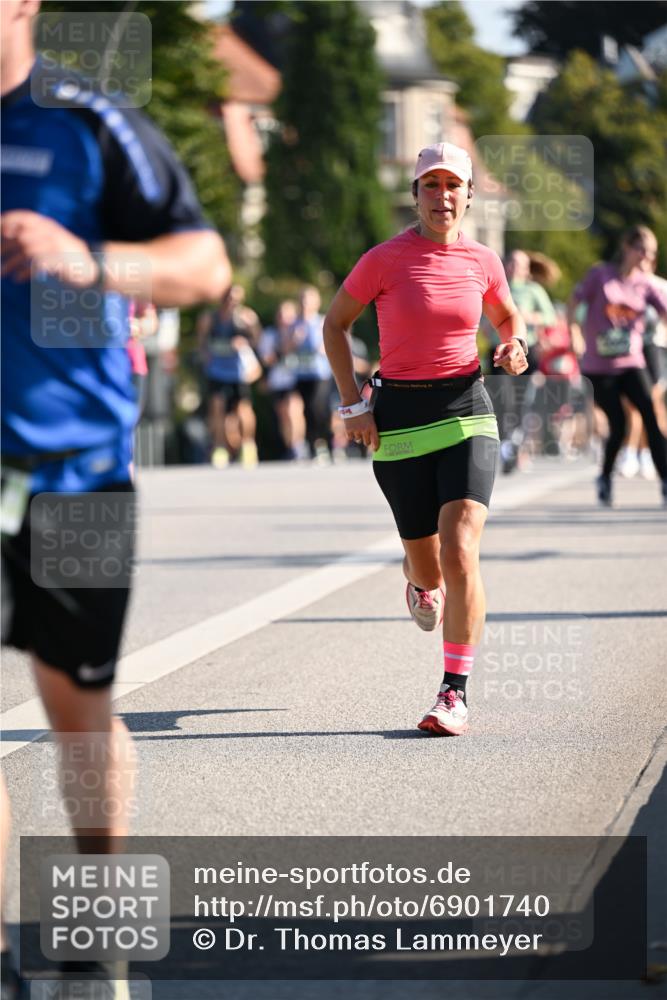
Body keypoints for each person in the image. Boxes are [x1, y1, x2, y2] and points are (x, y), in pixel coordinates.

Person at [0, 2, 231, 996]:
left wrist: (91, 260)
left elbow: (206, 264)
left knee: (77, 707)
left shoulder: (89, 121)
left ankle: (97, 941)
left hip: (77, 469)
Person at [323, 142, 529, 737]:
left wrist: (514, 345)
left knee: (460, 546)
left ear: (469, 195)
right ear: (415, 196)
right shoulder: (384, 260)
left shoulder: (483, 260)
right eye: (431, 186)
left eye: (452, 185)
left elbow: (508, 317)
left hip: (466, 409)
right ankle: (420, 581)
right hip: (399, 422)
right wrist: (353, 404)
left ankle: (453, 692)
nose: (443, 196)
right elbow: (335, 325)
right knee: (430, 566)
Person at [567, 225, 667, 506]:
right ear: (627, 247)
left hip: (631, 363)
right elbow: (574, 302)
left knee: (651, 416)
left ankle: (665, 480)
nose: (646, 256)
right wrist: (574, 333)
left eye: (652, 252)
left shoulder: (646, 283)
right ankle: (605, 477)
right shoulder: (600, 275)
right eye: (642, 250)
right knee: (619, 425)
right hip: (599, 367)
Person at [197, 283, 262, 469]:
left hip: (239, 372)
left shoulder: (246, 317)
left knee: (243, 409)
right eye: (229, 298)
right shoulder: (210, 318)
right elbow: (201, 342)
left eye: (236, 299)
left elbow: (257, 340)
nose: (232, 302)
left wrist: (248, 334)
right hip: (217, 371)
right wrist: (206, 357)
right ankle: (220, 447)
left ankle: (248, 445)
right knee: (217, 409)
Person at [257, 299, 308, 460]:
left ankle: (298, 445)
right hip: (278, 380)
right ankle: (290, 447)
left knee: (294, 410)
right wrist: (287, 345)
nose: (283, 318)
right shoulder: (270, 335)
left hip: (297, 378)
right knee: (284, 415)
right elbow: (267, 359)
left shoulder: (301, 330)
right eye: (280, 315)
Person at [292, 286, 334, 461]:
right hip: (301, 374)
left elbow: (333, 344)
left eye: (308, 299)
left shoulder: (322, 322)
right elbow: (285, 348)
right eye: (302, 299)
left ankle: (328, 442)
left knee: (319, 408)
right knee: (306, 410)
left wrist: (323, 347)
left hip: (320, 373)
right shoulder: (294, 324)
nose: (304, 303)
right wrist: (294, 339)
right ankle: (312, 445)